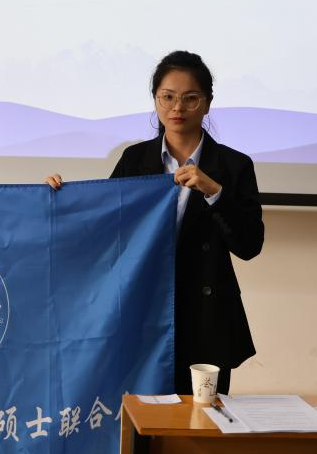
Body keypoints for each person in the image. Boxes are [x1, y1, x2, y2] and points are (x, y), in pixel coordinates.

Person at [46, 50, 263, 395]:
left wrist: (214, 191)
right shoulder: (135, 160)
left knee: (203, 420)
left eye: (190, 98)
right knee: (143, 418)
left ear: (207, 104)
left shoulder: (234, 166)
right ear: (155, 100)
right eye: (168, 97)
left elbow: (250, 245)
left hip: (207, 320)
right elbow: (105, 223)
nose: (178, 108)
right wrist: (59, 198)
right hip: (143, 309)